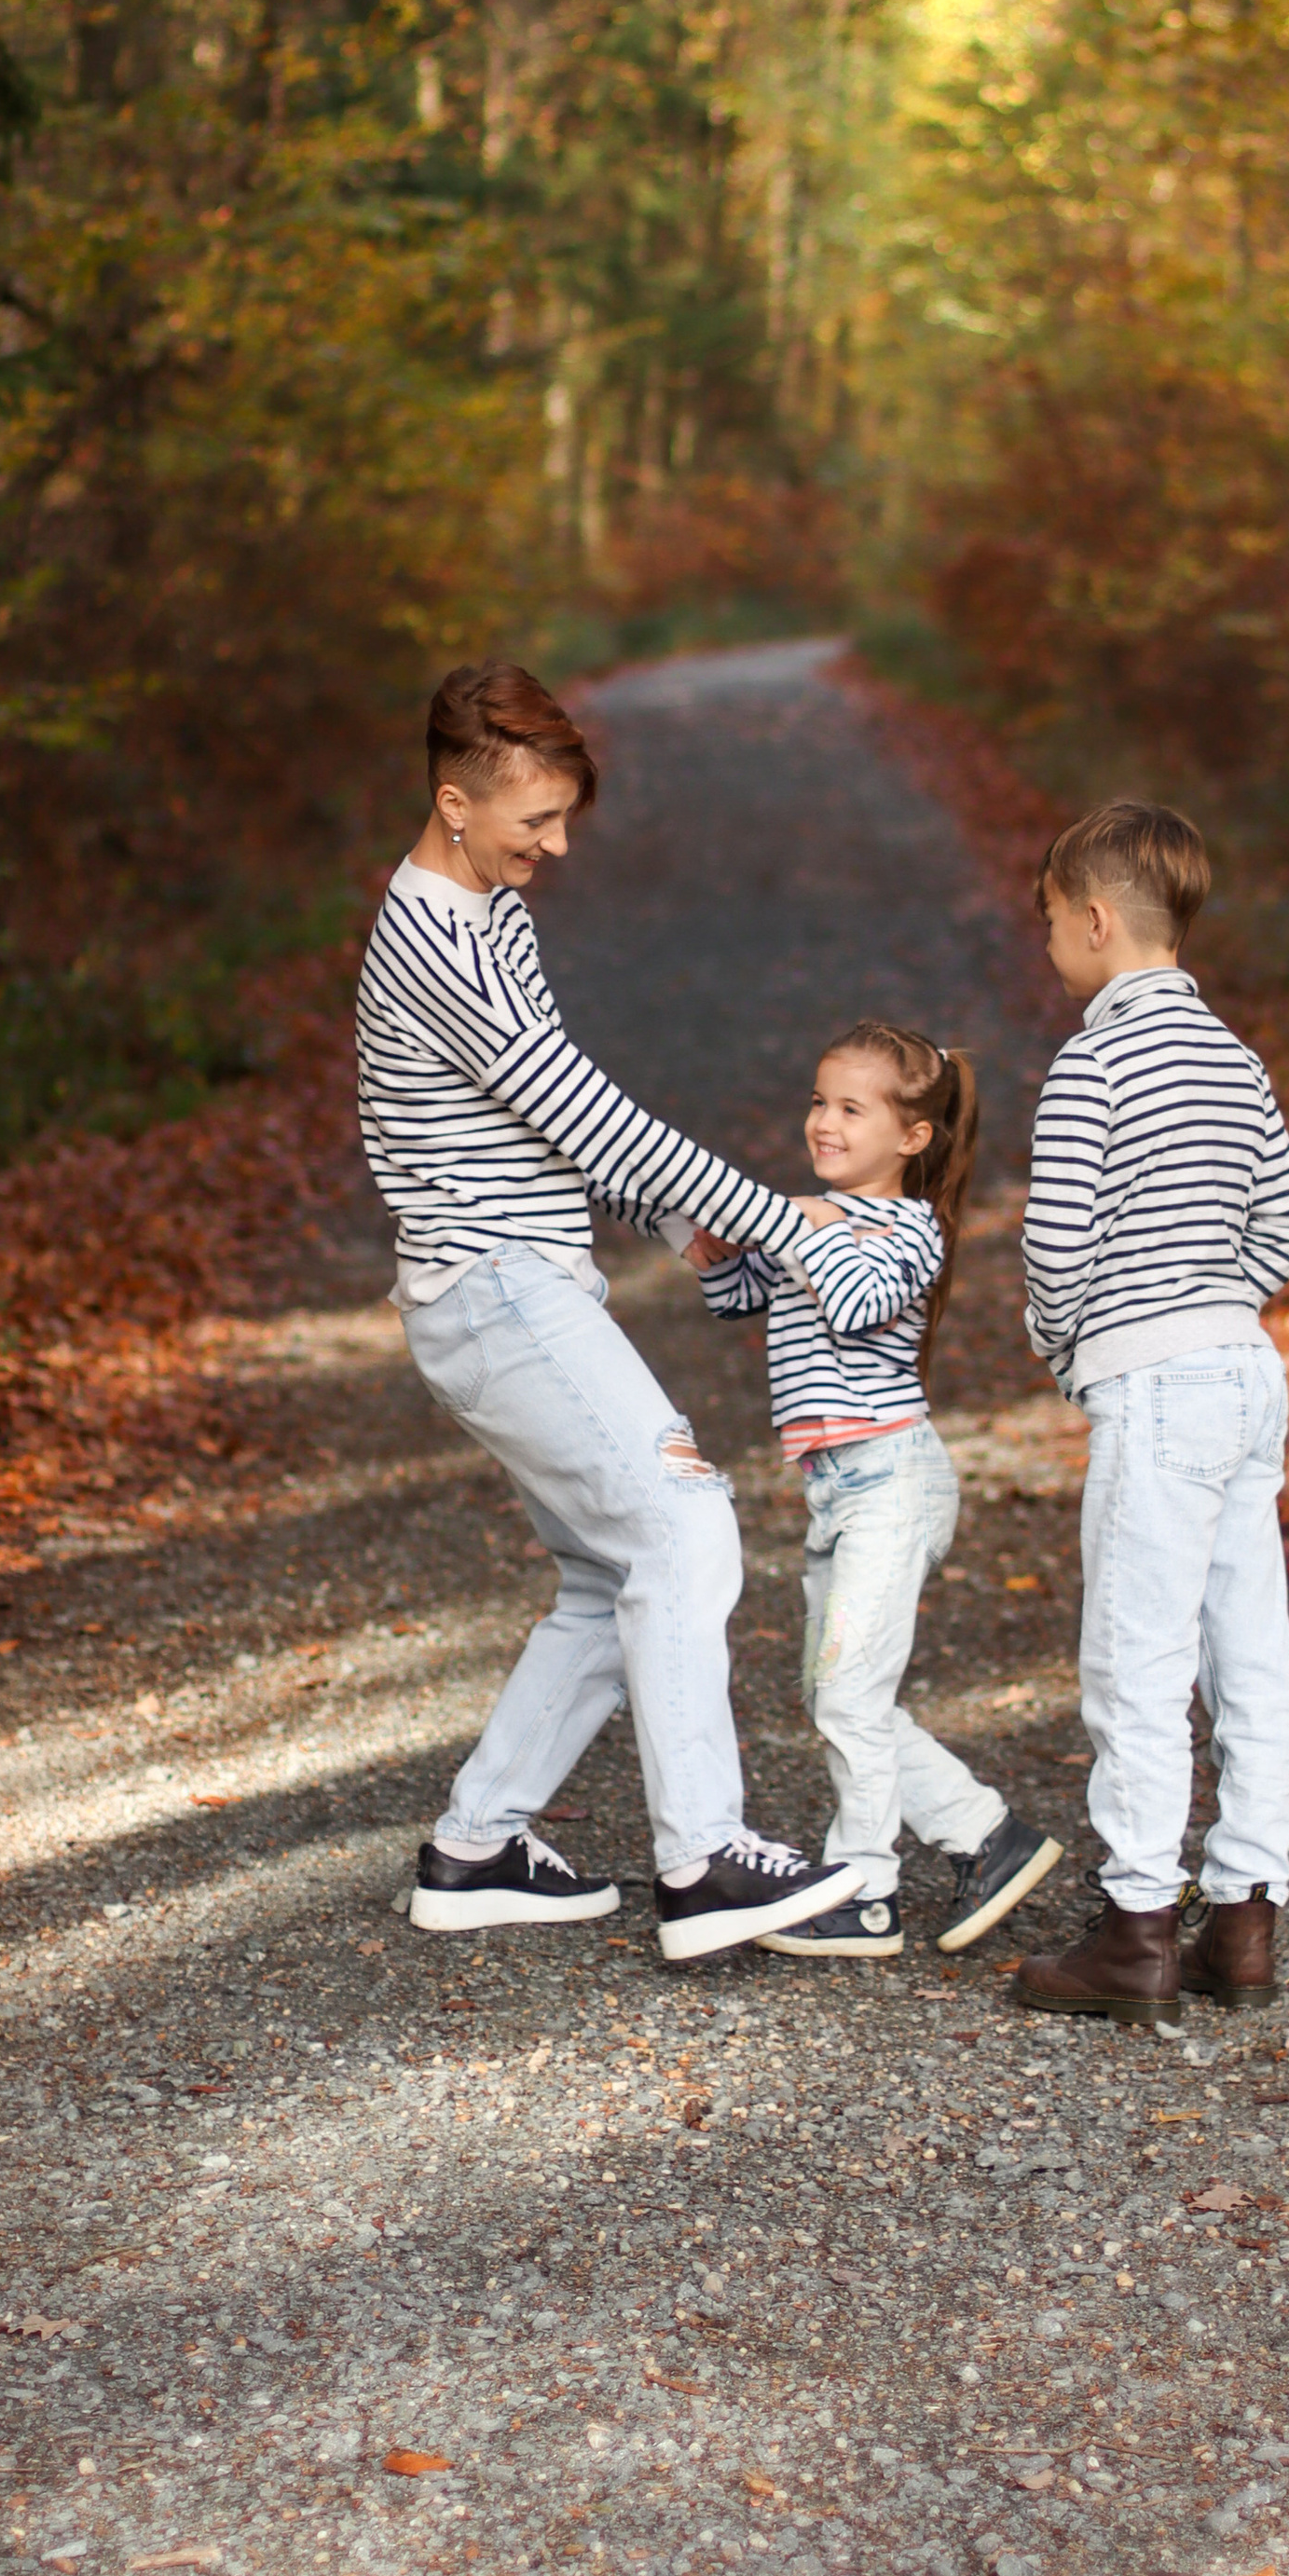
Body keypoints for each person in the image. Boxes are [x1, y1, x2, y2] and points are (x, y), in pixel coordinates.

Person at [356, 658, 861, 1964]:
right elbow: (584, 1108)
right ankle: (704, 1865)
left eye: (567, 816)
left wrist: (673, 1218)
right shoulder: (432, 938)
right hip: (497, 1292)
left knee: (606, 1568)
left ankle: (479, 1845)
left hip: (516, 1286)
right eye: (536, 818)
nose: (558, 844)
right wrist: (769, 1213)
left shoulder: (490, 908)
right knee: (685, 1526)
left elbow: (545, 1128)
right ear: (456, 801)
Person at [1010, 802, 1289, 2026]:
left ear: (1093, 919)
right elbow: (1288, 1224)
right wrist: (1214, 1305)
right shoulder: (1234, 1058)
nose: (1048, 948)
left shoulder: (1093, 1064)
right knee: (1251, 1653)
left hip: (1156, 1385)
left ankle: (1136, 1929)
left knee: (1135, 1660)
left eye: (1049, 924)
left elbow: (1054, 1247)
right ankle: (1244, 1918)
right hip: (1247, 1373)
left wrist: (1070, 1345)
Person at [687, 1021, 1062, 1958]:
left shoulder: (908, 1230)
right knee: (836, 1696)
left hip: (894, 1482)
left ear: (911, 1138)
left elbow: (855, 1304)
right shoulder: (815, 1217)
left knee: (849, 1696)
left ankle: (863, 1887)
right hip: (836, 1490)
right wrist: (708, 1245)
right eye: (819, 1101)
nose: (822, 1122)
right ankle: (987, 1837)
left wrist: (783, 1218)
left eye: (850, 1108)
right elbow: (738, 1295)